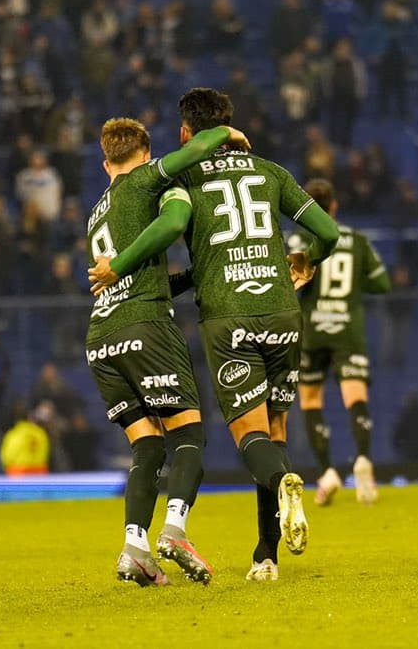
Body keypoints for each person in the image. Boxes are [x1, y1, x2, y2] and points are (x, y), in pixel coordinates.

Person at [92, 88, 340, 581]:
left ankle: (281, 491)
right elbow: (328, 232)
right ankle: (266, 556)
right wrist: (306, 259)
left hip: (228, 315)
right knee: (276, 429)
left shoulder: (178, 177)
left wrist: (121, 268)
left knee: (249, 436)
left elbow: (172, 224)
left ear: (187, 134)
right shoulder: (271, 172)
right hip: (282, 309)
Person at [84, 116, 252, 587]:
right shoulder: (149, 178)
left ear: (104, 163)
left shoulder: (96, 212)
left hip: (101, 337)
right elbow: (199, 155)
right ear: (145, 151)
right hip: (147, 327)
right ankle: (175, 530)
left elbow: (141, 279)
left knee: (148, 445)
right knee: (189, 437)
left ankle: (134, 547)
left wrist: (193, 277)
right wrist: (226, 134)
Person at [288, 178, 391, 506]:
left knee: (311, 401)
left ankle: (327, 471)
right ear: (334, 206)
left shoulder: (297, 240)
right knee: (355, 397)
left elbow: (289, 284)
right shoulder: (357, 240)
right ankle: (362, 459)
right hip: (347, 329)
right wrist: (355, 288)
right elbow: (382, 283)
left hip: (312, 330)